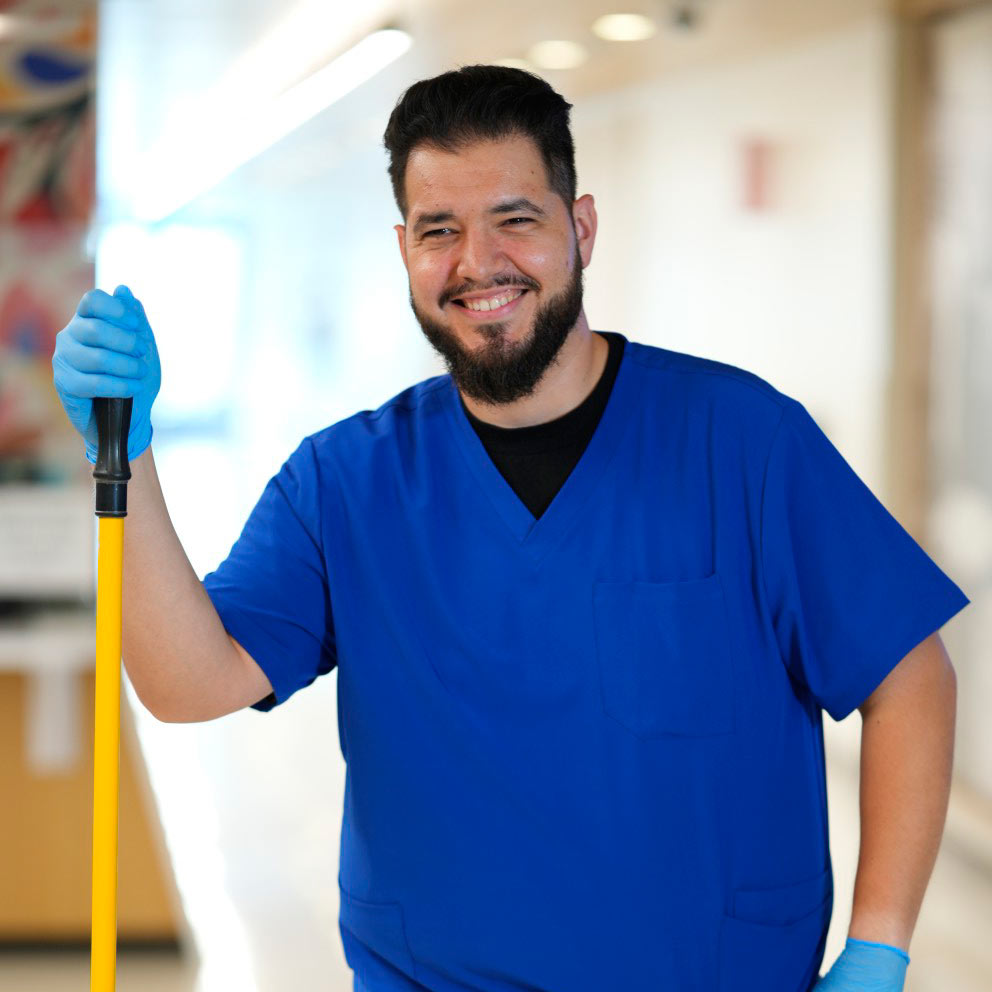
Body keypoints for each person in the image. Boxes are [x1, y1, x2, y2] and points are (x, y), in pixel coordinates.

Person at [52, 65, 968, 992]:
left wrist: (878, 945)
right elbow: (184, 683)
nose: (477, 262)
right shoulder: (345, 484)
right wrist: (130, 457)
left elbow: (911, 674)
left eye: (515, 219)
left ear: (582, 229)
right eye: (439, 231)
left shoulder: (745, 443)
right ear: (403, 248)